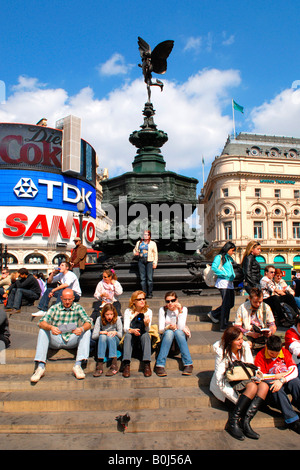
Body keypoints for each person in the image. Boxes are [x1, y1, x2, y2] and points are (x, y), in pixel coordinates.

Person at [210, 326, 269, 440]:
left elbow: (251, 367)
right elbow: (220, 381)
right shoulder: (222, 352)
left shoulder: (245, 347)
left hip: (244, 379)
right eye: (238, 340)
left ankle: (246, 421)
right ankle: (233, 421)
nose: (241, 342)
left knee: (264, 386)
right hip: (227, 384)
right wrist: (238, 400)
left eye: (242, 338)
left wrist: (257, 376)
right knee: (252, 387)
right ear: (230, 341)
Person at [30, 288, 93, 383]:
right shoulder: (54, 308)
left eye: (69, 299)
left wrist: (81, 329)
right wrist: (51, 327)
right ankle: (40, 366)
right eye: (65, 299)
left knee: (87, 331)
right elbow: (41, 322)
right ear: (61, 298)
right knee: (43, 330)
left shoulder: (78, 307)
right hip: (56, 339)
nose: (67, 302)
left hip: (71, 338)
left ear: (73, 298)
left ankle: (78, 365)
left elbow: (88, 322)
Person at [255, 335, 300, 434]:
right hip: (271, 386)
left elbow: (294, 370)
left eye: (277, 353)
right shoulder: (260, 355)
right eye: (271, 353)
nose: (274, 356)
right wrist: (276, 376)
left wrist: (282, 379)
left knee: (296, 381)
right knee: (276, 388)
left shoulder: (285, 352)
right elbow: (259, 376)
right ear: (267, 347)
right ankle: (292, 420)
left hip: (283, 381)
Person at [155, 291, 193, 377]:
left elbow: (181, 327)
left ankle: (188, 364)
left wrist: (180, 312)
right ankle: (160, 365)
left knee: (178, 332)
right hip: (167, 338)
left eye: (173, 300)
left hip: (179, 339)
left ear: (177, 300)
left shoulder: (184, 309)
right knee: (169, 333)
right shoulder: (163, 310)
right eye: (168, 301)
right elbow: (161, 329)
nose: (170, 303)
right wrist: (168, 327)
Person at [122, 290, 153, 378]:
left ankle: (147, 364)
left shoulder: (148, 311)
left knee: (146, 335)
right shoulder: (128, 311)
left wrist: (146, 323)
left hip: (142, 334)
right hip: (132, 335)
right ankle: (126, 364)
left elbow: (147, 330)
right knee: (127, 335)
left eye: (143, 299)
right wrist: (132, 330)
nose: (142, 301)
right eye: (139, 299)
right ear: (134, 301)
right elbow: (125, 328)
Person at [206, 242, 236, 331]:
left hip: (229, 283)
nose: (233, 252)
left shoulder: (228, 258)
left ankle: (214, 314)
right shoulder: (219, 257)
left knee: (231, 303)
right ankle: (223, 325)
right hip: (223, 282)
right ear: (227, 249)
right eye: (232, 250)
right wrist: (224, 274)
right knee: (226, 304)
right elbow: (214, 267)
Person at [92, 303, 123, 377]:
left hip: (115, 340)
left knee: (110, 336)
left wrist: (115, 332)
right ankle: (99, 364)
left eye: (111, 314)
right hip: (103, 340)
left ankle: (114, 364)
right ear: (103, 314)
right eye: (107, 314)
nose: (109, 317)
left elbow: (121, 335)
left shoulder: (117, 319)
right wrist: (101, 332)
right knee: (102, 336)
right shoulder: (99, 319)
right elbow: (94, 336)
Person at [133, 230, 158, 298]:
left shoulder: (153, 243)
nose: (145, 236)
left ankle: (150, 293)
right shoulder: (139, 242)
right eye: (144, 234)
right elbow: (135, 250)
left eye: (147, 235)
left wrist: (155, 262)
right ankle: (144, 293)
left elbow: (155, 253)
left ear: (149, 236)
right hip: (141, 260)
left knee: (149, 278)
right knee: (142, 279)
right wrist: (135, 253)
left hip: (149, 261)